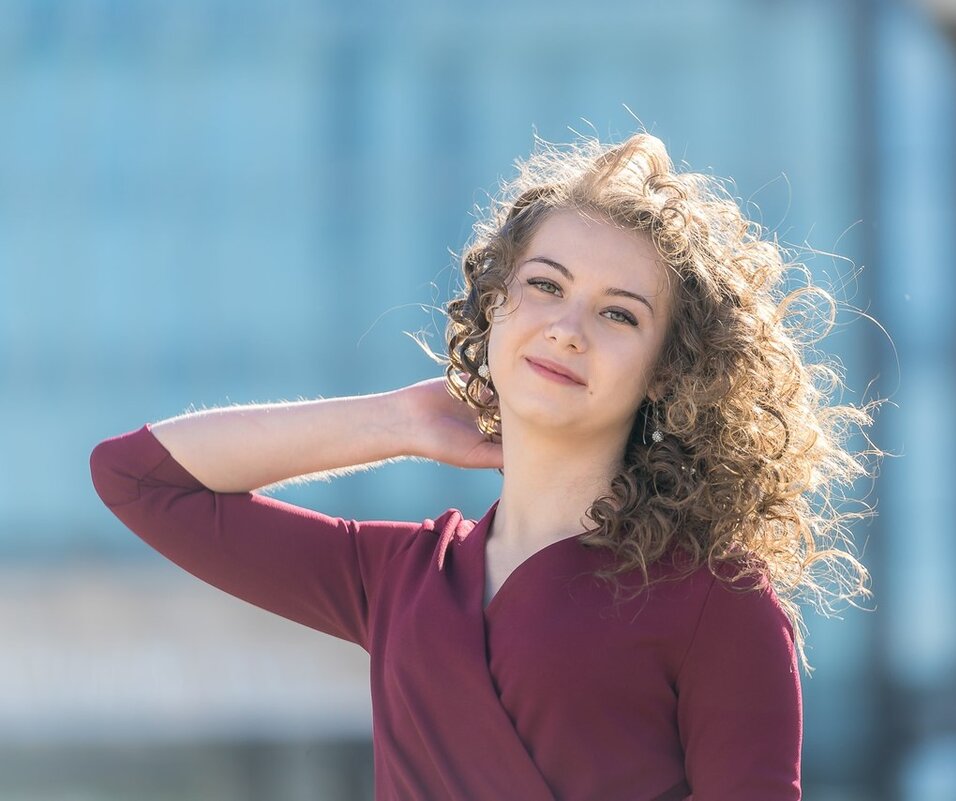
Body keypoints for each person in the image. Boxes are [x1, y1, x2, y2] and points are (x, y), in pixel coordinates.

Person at [90, 131, 876, 801]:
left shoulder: (715, 598)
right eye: (544, 286)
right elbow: (137, 478)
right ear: (495, 306)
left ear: (666, 373)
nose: (568, 328)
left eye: (618, 314)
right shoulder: (401, 575)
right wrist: (396, 420)